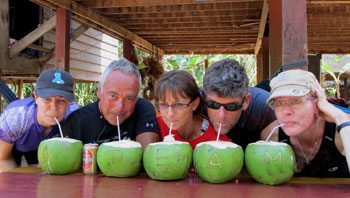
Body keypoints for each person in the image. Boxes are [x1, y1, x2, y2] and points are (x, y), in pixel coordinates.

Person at [262, 69, 350, 177]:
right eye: (279, 103)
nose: (286, 112)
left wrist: (340, 118)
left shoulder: (342, 130)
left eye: (296, 101)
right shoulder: (271, 137)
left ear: (317, 102)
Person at [61, 58, 159, 148]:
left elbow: (147, 156)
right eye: (113, 96)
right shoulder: (77, 122)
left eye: (129, 99)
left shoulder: (143, 109)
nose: (119, 107)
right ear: (99, 91)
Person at [0, 69, 78, 172]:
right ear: (35, 98)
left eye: (61, 101)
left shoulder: (73, 116)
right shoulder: (15, 117)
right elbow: (3, 158)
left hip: (48, 148)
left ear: (69, 102)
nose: (53, 107)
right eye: (47, 99)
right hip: (15, 147)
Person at [202, 59, 277, 149]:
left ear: (246, 101)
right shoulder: (193, 103)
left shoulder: (267, 107)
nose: (221, 116)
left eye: (231, 106)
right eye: (213, 105)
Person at [155, 70, 231, 149]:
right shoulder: (156, 127)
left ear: (195, 104)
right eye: (163, 105)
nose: (170, 113)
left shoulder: (218, 143)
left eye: (179, 105)